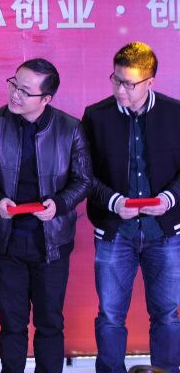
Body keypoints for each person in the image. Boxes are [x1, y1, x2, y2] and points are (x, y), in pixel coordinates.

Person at [0, 58, 91, 373]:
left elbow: (83, 181)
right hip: (7, 240)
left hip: (51, 242)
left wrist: (58, 204)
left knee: (50, 322)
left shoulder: (70, 129)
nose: (15, 94)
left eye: (25, 91)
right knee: (12, 323)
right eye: (14, 84)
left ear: (46, 98)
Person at [83, 42, 180, 373]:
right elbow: (83, 174)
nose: (120, 89)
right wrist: (113, 202)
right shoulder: (96, 116)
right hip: (116, 232)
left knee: (167, 314)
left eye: (129, 83)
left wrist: (169, 199)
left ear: (150, 81)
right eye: (116, 79)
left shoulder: (174, 114)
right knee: (110, 315)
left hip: (165, 232)